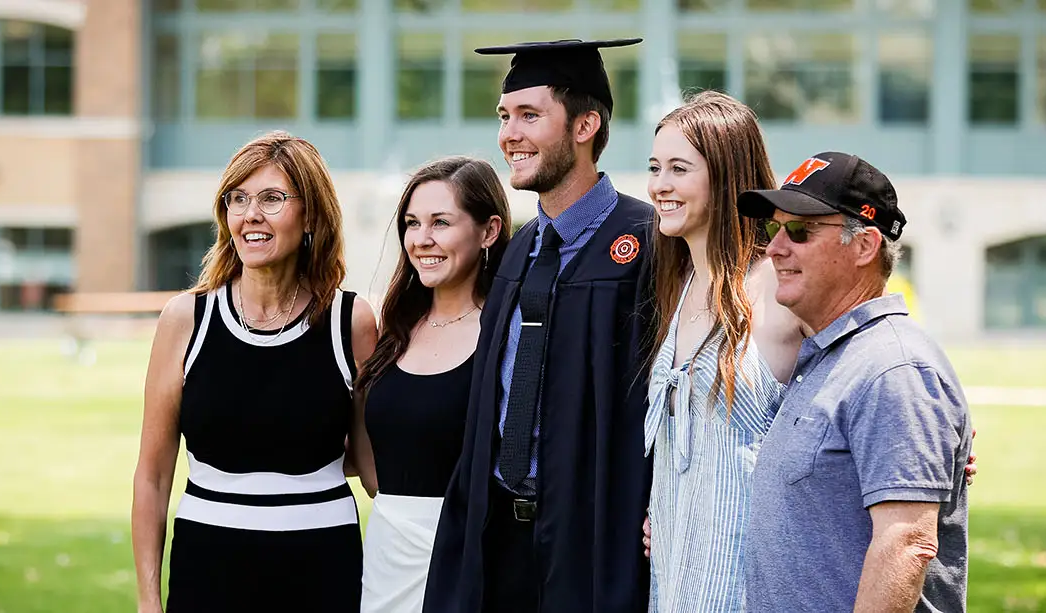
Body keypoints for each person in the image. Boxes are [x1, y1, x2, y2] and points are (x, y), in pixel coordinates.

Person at [424, 38, 658, 613]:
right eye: (505, 116)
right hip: (499, 537)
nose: (509, 134)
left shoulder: (649, 243)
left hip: (591, 541)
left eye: (530, 116)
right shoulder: (522, 245)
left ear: (585, 126)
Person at [130, 131, 378, 612]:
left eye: (272, 198)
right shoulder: (186, 319)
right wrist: (147, 601)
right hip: (208, 568)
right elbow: (153, 475)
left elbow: (373, 467)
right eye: (237, 199)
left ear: (310, 215)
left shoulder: (351, 321)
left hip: (323, 567)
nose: (251, 215)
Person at [738, 152, 972, 612]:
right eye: (774, 228)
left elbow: (905, 544)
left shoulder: (894, 369)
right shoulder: (830, 358)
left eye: (800, 230)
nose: (775, 248)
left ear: (864, 246)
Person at [641, 90, 801, 612]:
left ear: (727, 175)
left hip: (747, 586)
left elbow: (878, 366)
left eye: (679, 169)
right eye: (655, 167)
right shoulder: (678, 286)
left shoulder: (779, 287)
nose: (660, 185)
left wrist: (934, 438)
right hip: (674, 576)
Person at [353, 156, 511, 612]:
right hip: (387, 551)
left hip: (469, 556)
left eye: (441, 223)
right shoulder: (396, 327)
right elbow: (367, 438)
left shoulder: (506, 332)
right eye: (412, 223)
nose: (422, 240)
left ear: (489, 230)